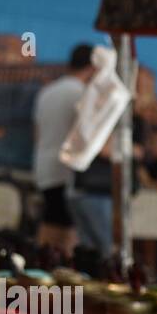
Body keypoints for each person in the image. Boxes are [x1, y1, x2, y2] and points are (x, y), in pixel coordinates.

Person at [31, 44, 95, 260]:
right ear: (92, 67)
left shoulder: (47, 91)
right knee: (65, 230)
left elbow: (37, 133)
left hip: (43, 166)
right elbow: (84, 135)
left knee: (51, 220)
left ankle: (39, 272)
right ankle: (56, 280)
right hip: (65, 170)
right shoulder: (81, 94)